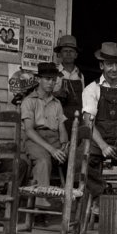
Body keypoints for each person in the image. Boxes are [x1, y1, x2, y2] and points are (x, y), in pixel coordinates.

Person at [82, 42, 117, 201]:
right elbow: (88, 122)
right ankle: (103, 193)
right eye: (109, 64)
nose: (114, 68)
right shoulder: (91, 89)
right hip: (97, 140)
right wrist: (103, 146)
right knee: (80, 160)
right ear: (101, 65)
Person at [21, 63, 69, 209]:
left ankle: (75, 203)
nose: (51, 83)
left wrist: (65, 145)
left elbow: (61, 128)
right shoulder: (29, 101)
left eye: (53, 80)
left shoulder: (57, 103)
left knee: (76, 158)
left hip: (54, 139)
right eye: (47, 79)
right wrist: (52, 150)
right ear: (39, 79)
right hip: (36, 140)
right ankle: (41, 201)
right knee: (43, 160)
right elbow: (29, 130)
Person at [53, 35, 85, 137]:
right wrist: (57, 93)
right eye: (65, 51)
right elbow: (46, 97)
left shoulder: (80, 75)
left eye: (71, 51)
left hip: (77, 118)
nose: (68, 54)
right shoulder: (54, 73)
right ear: (60, 54)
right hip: (60, 118)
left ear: (76, 55)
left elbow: (84, 98)